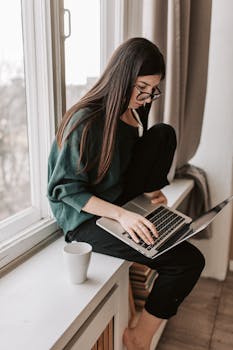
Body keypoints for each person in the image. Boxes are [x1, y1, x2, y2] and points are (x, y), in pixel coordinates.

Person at [47, 37, 205, 350]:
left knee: (164, 133)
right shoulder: (86, 120)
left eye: (153, 91)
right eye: (142, 88)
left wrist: (151, 193)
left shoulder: (132, 111)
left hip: (118, 201)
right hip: (85, 219)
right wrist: (121, 214)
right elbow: (64, 188)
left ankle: (148, 201)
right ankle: (138, 337)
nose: (147, 98)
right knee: (186, 262)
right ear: (122, 78)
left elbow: (131, 158)